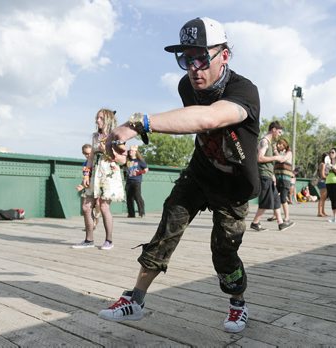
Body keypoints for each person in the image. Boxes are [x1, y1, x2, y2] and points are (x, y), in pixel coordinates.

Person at [99, 17, 261, 333]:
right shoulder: (187, 86)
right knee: (166, 230)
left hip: (234, 186)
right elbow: (189, 119)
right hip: (200, 173)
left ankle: (238, 305)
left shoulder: (244, 91)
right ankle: (136, 299)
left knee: (224, 253)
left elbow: (209, 118)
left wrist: (136, 123)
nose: (193, 67)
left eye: (201, 57)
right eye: (186, 59)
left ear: (224, 55)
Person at [72, 109, 125, 250]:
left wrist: (108, 151)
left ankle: (109, 240)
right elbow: (90, 157)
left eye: (100, 118)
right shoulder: (95, 136)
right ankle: (89, 240)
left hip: (109, 173)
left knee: (103, 206)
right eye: (97, 118)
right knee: (86, 207)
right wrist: (86, 174)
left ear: (108, 119)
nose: (97, 121)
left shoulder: (117, 136)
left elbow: (123, 159)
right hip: (95, 172)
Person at [250, 121, 294, 232]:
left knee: (276, 199)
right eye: (279, 132)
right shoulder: (264, 142)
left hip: (269, 175)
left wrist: (273, 175)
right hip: (264, 175)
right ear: (273, 129)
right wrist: (276, 158)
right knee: (266, 201)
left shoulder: (269, 143)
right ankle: (255, 222)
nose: (279, 134)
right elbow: (259, 158)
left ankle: (281, 223)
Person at [75, 144, 100, 239]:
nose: (88, 155)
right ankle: (91, 225)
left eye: (89, 153)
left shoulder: (97, 162)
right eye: (85, 154)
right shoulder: (85, 164)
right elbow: (85, 177)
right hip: (89, 188)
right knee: (88, 208)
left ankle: (97, 218)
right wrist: (81, 185)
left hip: (97, 187)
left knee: (98, 205)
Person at [272, 138, 293, 222]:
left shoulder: (289, 153)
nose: (277, 145)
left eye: (279, 144)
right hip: (277, 179)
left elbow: (281, 159)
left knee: (283, 198)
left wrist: (275, 151)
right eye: (277, 144)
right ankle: (275, 215)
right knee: (274, 197)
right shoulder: (279, 153)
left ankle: (287, 216)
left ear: (284, 145)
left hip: (285, 179)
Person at [125, 145, 148, 218]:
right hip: (129, 181)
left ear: (135, 152)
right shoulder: (127, 160)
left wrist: (138, 172)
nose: (130, 152)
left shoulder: (139, 161)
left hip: (137, 181)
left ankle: (142, 212)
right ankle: (131, 213)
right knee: (129, 197)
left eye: (132, 151)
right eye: (130, 151)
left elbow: (146, 170)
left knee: (137, 196)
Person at [317, 152, 329, 217]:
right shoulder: (323, 164)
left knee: (324, 198)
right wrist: (329, 177)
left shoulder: (325, 164)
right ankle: (319, 212)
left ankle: (323, 211)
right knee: (322, 198)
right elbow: (322, 175)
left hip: (324, 182)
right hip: (322, 182)